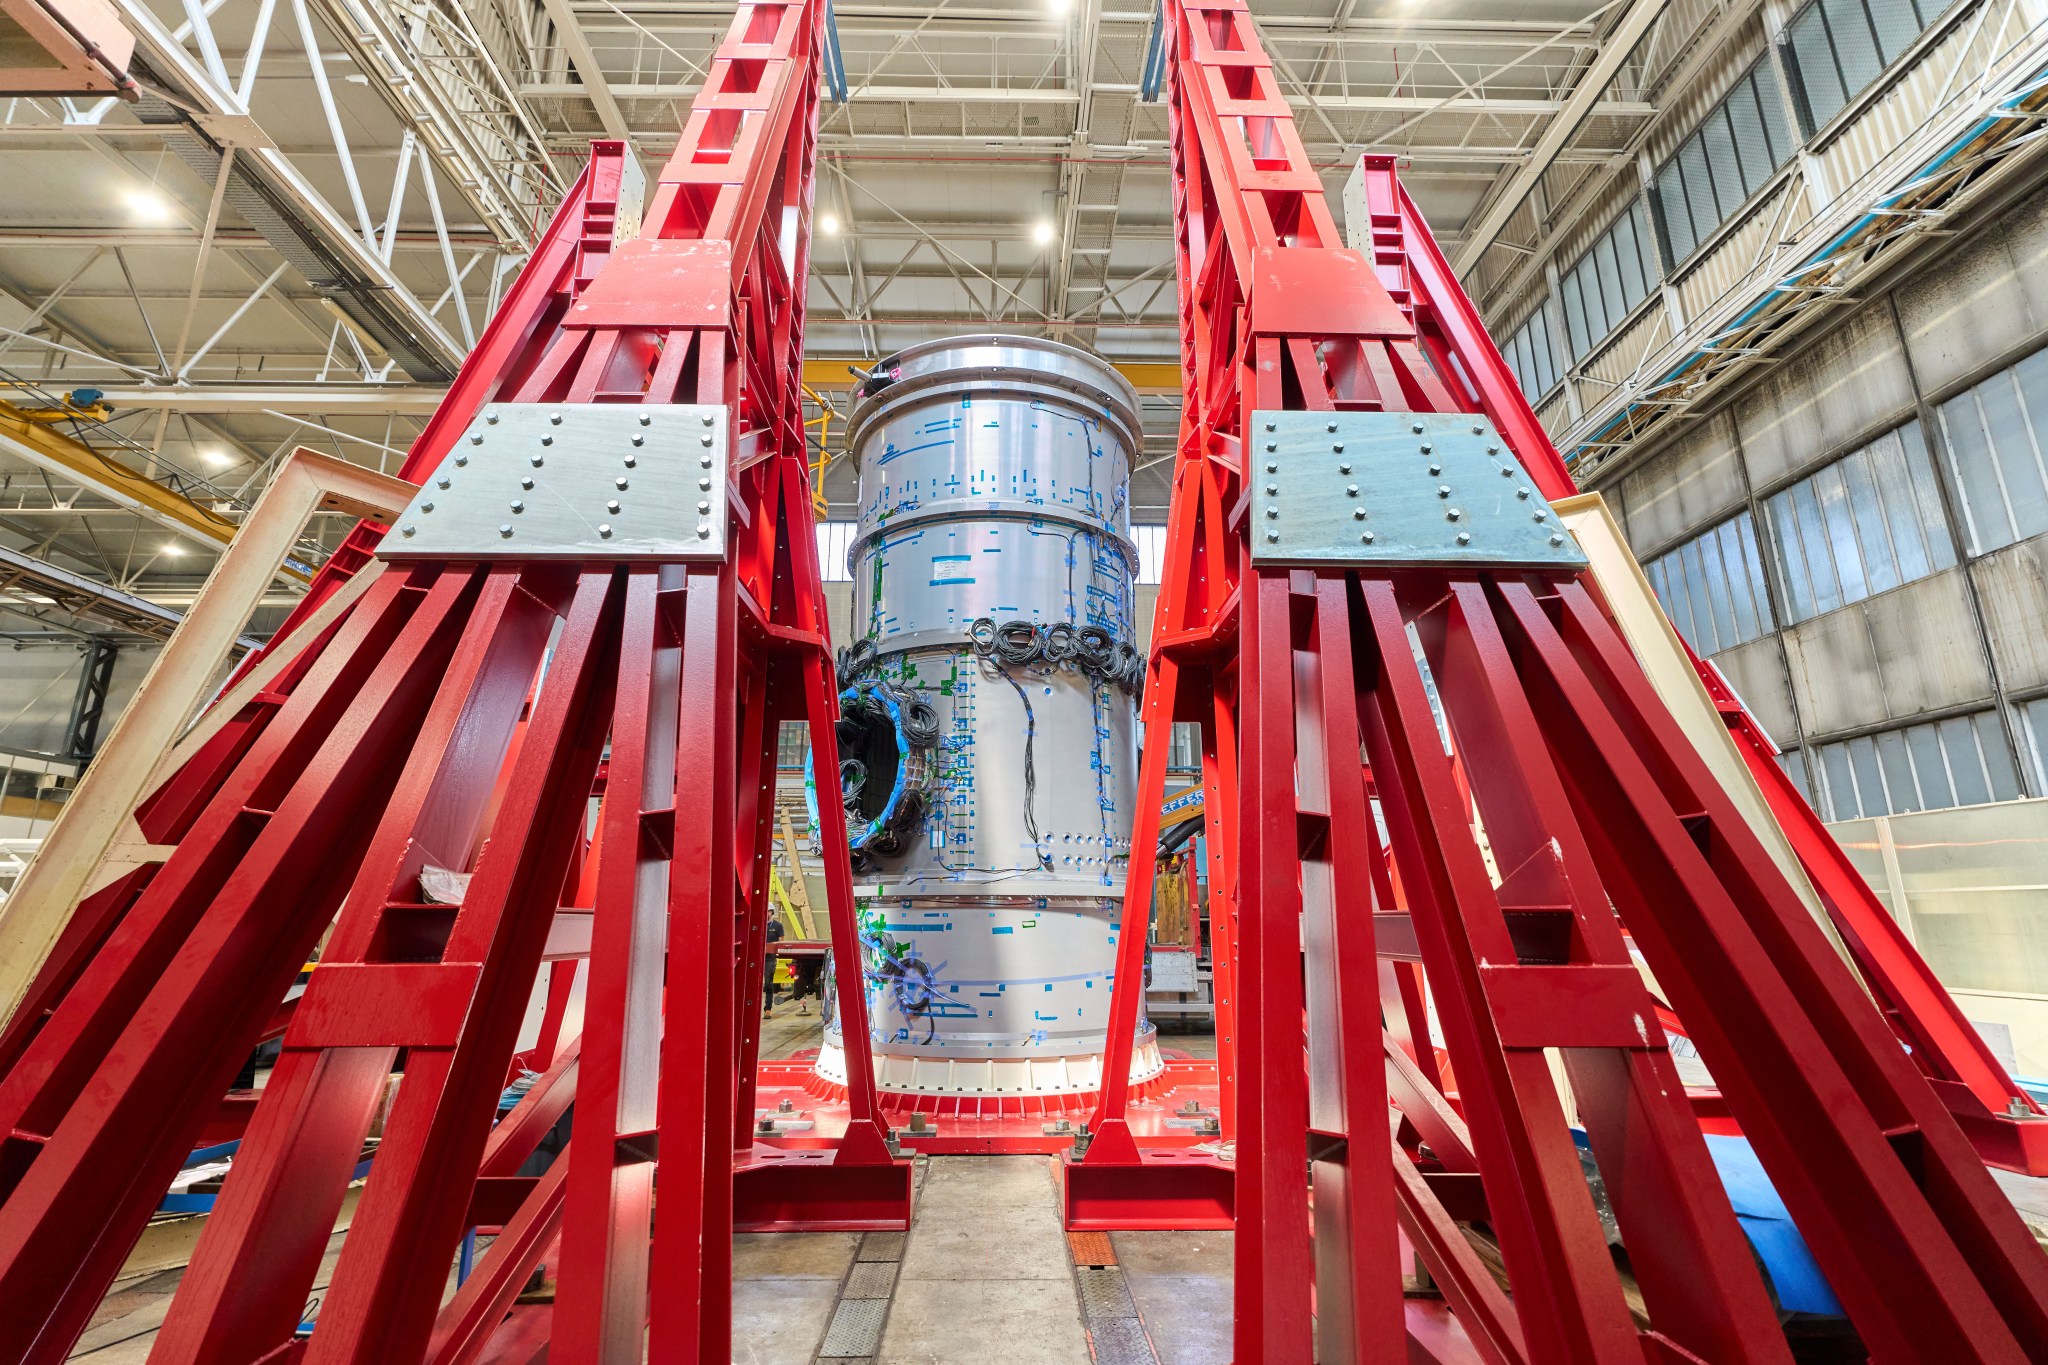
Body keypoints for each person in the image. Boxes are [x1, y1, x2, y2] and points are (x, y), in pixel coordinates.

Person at [763, 916, 786, 1014]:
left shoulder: (777, 926)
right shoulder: (758, 924)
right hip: (757, 957)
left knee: (768, 983)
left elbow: (781, 942)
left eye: (768, 911)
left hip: (770, 958)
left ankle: (768, 1008)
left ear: (771, 912)